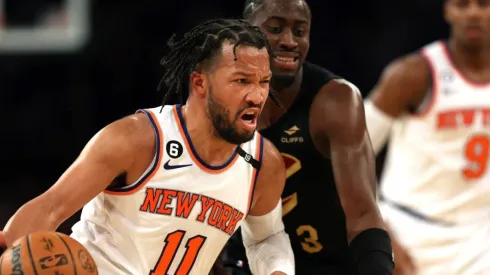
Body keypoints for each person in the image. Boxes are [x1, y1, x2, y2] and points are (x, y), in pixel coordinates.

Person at [0, 19, 295, 275]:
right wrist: (6, 252)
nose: (257, 95)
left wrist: (277, 269)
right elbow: (51, 207)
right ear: (200, 83)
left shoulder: (262, 163)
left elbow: (266, 237)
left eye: (264, 82)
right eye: (242, 80)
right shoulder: (137, 139)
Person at [222, 1, 394, 275]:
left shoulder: (335, 102)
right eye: (275, 28)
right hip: (249, 261)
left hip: (328, 265)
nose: (290, 41)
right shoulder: (219, 98)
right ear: (245, 33)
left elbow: (363, 214)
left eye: (300, 31)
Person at [364, 0, 490, 274]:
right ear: (447, 10)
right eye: (462, 4)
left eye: (483, 4)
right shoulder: (413, 73)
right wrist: (378, 235)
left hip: (481, 237)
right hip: (409, 231)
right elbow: (346, 156)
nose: (473, 13)